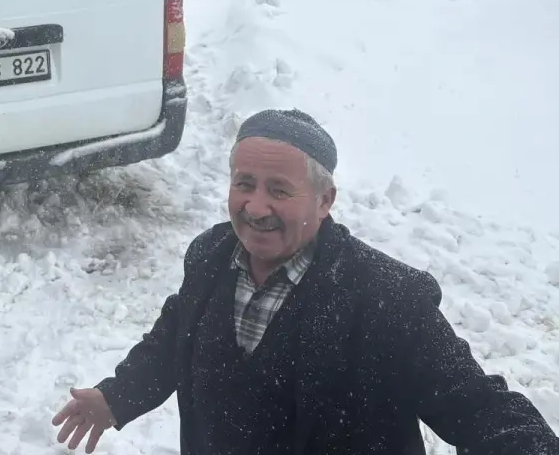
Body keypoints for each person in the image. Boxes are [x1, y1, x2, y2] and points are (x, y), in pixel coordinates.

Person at [52, 108, 559, 455]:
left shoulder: (388, 298)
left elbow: (475, 403)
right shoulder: (210, 256)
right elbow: (170, 340)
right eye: (244, 184)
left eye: (279, 190)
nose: (255, 207)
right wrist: (118, 396)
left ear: (325, 200)